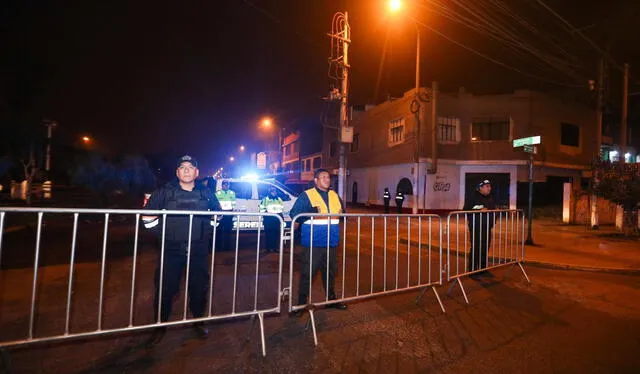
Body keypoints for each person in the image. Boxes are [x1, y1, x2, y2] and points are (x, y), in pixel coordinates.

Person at [142, 155, 221, 344]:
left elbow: (218, 216)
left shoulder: (207, 193)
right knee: (165, 288)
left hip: (198, 249)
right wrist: (165, 234)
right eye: (182, 167)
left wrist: (204, 232)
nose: (186, 170)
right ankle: (159, 325)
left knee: (199, 287)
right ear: (177, 172)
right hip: (171, 249)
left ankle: (198, 322)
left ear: (197, 172)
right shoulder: (164, 192)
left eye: (190, 167)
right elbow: (147, 218)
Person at [289, 168, 348, 313]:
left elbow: (342, 213)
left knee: (330, 272)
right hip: (313, 242)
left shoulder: (334, 195)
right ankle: (301, 305)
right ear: (316, 180)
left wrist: (342, 214)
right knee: (307, 273)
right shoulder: (307, 195)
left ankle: (331, 299)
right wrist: (309, 213)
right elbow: (294, 215)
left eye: (328, 177)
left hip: (332, 242)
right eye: (323, 177)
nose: (327, 179)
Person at [462, 179, 497, 275]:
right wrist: (479, 209)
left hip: (487, 227)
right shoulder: (473, 197)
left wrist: (493, 222)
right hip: (476, 226)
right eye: (487, 186)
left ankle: (483, 268)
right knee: (476, 247)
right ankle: (473, 269)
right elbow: (466, 210)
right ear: (480, 188)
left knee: (485, 247)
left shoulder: (490, 198)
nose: (490, 188)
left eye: (490, 186)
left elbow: (493, 210)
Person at [259, 186, 284, 253]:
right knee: (269, 234)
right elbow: (262, 210)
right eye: (272, 191)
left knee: (277, 234)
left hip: (277, 219)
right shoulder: (265, 199)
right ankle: (268, 248)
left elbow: (281, 209)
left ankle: (276, 248)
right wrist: (266, 216)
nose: (274, 192)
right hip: (269, 219)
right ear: (269, 192)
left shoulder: (279, 199)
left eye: (275, 191)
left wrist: (281, 217)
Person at [215, 180, 236, 251]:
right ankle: (218, 247)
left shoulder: (232, 193)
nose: (226, 186)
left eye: (227, 185)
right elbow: (216, 203)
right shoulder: (218, 193)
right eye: (225, 184)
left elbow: (233, 203)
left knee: (228, 231)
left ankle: (227, 247)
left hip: (229, 214)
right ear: (222, 185)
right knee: (219, 230)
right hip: (221, 213)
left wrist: (232, 211)